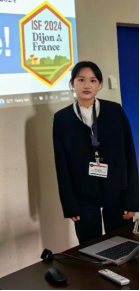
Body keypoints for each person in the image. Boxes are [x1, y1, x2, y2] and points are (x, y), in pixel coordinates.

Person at [53, 61, 139, 244]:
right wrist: (70, 205)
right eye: (81, 80)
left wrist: (132, 200)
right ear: (72, 83)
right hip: (83, 194)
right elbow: (61, 165)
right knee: (89, 246)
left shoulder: (115, 110)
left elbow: (130, 155)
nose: (87, 85)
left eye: (93, 80)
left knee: (122, 243)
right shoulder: (61, 118)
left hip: (117, 190)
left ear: (99, 84)